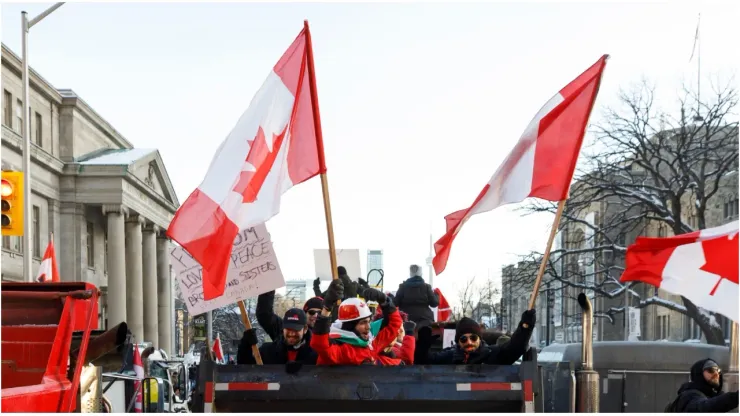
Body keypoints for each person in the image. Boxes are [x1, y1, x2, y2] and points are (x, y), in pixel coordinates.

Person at [311, 279, 402, 366]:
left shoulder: (371, 341)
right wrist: (326, 308)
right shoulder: (339, 348)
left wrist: (385, 302)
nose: (368, 327)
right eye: (363, 323)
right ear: (350, 325)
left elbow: (395, 324)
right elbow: (320, 345)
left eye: (369, 321)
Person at [416, 311, 535, 365]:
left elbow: (515, 348)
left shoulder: (492, 354)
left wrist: (525, 327)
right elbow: (425, 362)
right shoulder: (450, 356)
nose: (469, 342)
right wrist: (422, 346)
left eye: (473, 338)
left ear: (480, 338)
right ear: (458, 341)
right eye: (463, 339)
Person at [237, 307, 317, 368]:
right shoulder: (267, 351)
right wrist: (245, 345)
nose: (292, 333)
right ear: (283, 328)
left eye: (296, 329)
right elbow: (245, 368)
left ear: (305, 329)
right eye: (288, 329)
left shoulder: (315, 353)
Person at [665, 358, 738, 412]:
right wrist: (735, 397)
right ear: (699, 374)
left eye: (718, 371)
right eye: (711, 370)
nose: (716, 374)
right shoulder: (689, 395)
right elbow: (704, 408)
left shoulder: (714, 395)